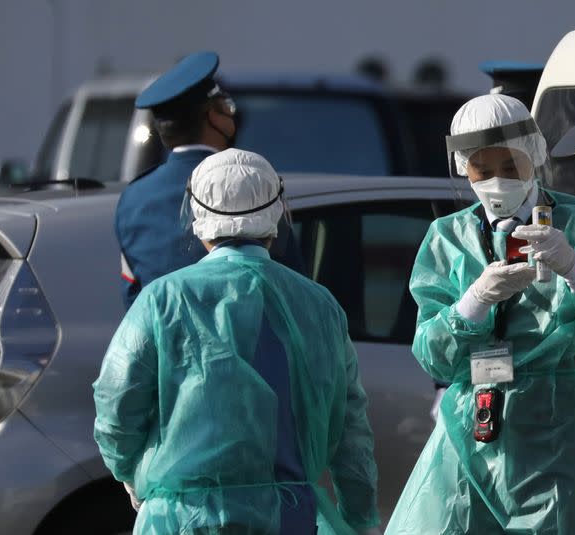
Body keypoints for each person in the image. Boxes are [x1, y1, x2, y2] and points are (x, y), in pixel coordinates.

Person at [386, 94, 575, 534]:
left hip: (559, 431)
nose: (496, 182)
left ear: (535, 154)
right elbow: (434, 356)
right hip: (473, 427)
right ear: (462, 168)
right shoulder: (448, 237)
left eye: (510, 167)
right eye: (482, 170)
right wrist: (475, 300)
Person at [94, 148, 382, 535]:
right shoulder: (319, 306)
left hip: (182, 521)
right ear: (277, 214)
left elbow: (117, 402)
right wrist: (360, 518)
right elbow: (352, 433)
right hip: (289, 520)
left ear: (198, 217)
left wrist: (130, 472)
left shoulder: (162, 299)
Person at [115, 51, 303, 309]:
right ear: (214, 117)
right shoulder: (250, 182)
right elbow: (292, 285)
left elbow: (133, 301)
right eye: (227, 108)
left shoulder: (132, 199)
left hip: (164, 346)